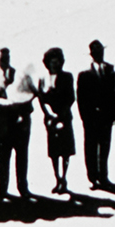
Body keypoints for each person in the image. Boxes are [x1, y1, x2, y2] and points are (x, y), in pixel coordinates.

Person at [0, 47, 36, 201]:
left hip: (20, 123)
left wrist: (22, 110)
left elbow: (31, 93)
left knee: (22, 156)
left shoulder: (19, 75)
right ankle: (3, 190)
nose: (5, 61)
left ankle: (23, 188)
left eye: (7, 57)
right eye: (2, 58)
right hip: (1, 124)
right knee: (3, 158)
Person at [75, 40, 115, 190]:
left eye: (101, 51)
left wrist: (113, 115)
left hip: (106, 117)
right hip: (91, 118)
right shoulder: (84, 74)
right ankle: (93, 178)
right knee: (91, 148)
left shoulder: (110, 70)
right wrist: (85, 118)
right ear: (91, 54)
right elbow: (81, 99)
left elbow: (114, 94)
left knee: (105, 147)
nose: (99, 54)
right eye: (96, 52)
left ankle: (104, 176)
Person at [34, 47, 76, 194]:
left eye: (57, 61)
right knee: (54, 151)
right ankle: (57, 178)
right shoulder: (43, 79)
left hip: (64, 117)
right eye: (52, 61)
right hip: (50, 119)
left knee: (66, 150)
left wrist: (60, 115)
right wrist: (49, 114)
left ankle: (64, 177)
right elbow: (41, 98)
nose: (55, 64)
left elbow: (70, 98)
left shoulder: (67, 76)